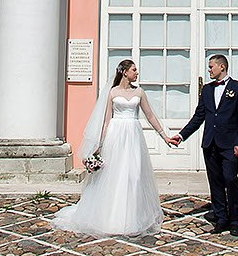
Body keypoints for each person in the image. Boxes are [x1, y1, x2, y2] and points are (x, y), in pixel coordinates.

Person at [51, 59, 169, 238]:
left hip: (133, 135)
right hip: (116, 134)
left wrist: (164, 135)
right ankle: (111, 217)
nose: (137, 73)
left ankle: (133, 215)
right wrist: (99, 144)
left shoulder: (139, 92)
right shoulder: (113, 92)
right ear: (124, 72)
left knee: (134, 174)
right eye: (134, 70)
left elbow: (150, 116)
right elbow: (106, 120)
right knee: (114, 174)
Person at [169, 54, 238, 236]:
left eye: (211, 66)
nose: (209, 70)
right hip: (210, 142)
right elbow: (199, 116)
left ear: (222, 67)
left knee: (230, 179)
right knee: (215, 182)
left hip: (230, 144)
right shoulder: (206, 90)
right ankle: (221, 218)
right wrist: (182, 136)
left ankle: (235, 219)